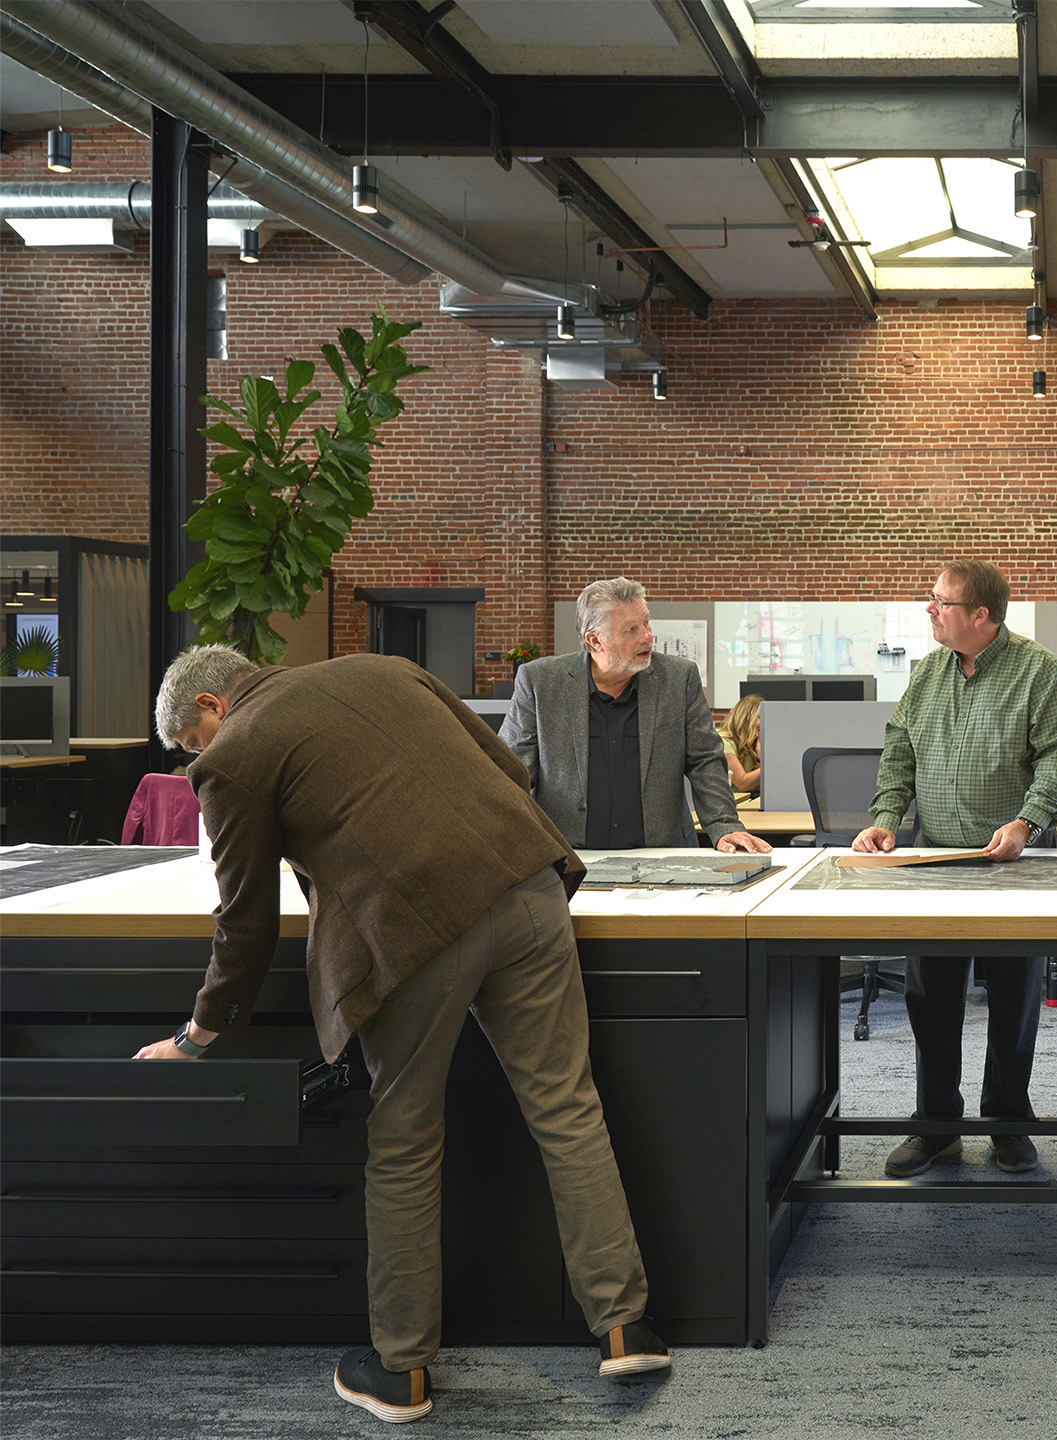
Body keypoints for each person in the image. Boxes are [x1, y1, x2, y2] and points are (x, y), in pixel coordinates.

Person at [136, 645, 670, 1425]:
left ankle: (403, 1370)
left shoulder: (232, 756)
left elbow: (243, 922)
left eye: (191, 746)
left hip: (413, 936)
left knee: (405, 1141)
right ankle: (626, 1326)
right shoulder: (385, 667)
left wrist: (198, 1034)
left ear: (211, 707)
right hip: (525, 887)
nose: (195, 762)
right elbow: (509, 772)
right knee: (566, 1106)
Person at [852, 558, 1057, 1177]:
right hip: (938, 859)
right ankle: (937, 1127)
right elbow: (899, 748)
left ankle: (1008, 1123)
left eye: (940, 601)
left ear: (979, 614)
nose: (930, 609)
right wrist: (886, 816)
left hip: (1013, 863)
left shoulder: (1038, 672)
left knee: (1013, 997)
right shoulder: (927, 674)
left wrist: (1028, 823)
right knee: (932, 997)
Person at [500, 577, 770, 853]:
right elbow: (509, 771)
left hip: (661, 853)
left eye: (646, 622)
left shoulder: (678, 679)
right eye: (630, 630)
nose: (647, 636)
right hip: (570, 857)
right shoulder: (540, 682)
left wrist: (725, 825)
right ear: (595, 641)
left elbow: (705, 761)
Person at [722, 692, 763, 797]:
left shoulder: (748, 744)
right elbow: (742, 783)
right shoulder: (724, 743)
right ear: (746, 717)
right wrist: (773, 766)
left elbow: (756, 786)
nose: (765, 722)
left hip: (743, 804)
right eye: (760, 717)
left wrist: (759, 757)